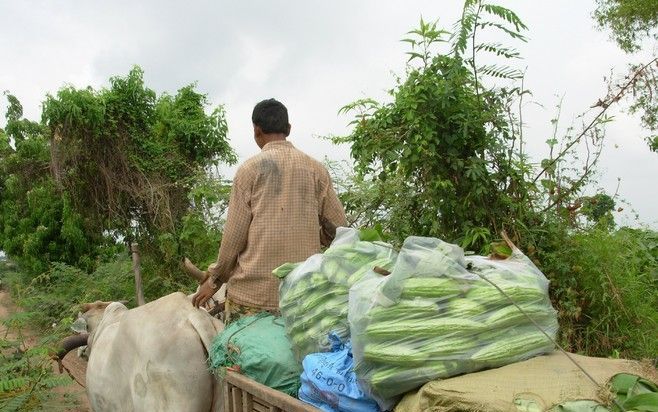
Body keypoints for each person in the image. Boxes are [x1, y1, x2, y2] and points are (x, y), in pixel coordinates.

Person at [192, 98, 347, 323]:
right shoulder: (316, 170)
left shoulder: (249, 171)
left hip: (252, 299)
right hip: (304, 295)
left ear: (256, 130)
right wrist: (317, 236)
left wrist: (214, 280)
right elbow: (340, 229)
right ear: (289, 129)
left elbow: (233, 238)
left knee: (235, 354)